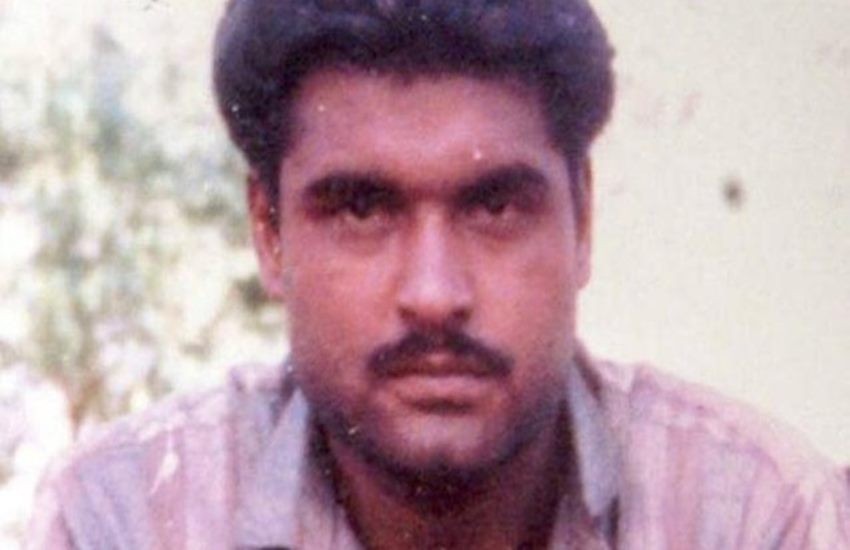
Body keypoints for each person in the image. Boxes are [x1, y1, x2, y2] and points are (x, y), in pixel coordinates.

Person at [28, 0, 849, 548]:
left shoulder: (753, 513)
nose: (434, 294)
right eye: (361, 209)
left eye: (495, 206)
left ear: (583, 218)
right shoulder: (128, 518)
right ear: (269, 233)